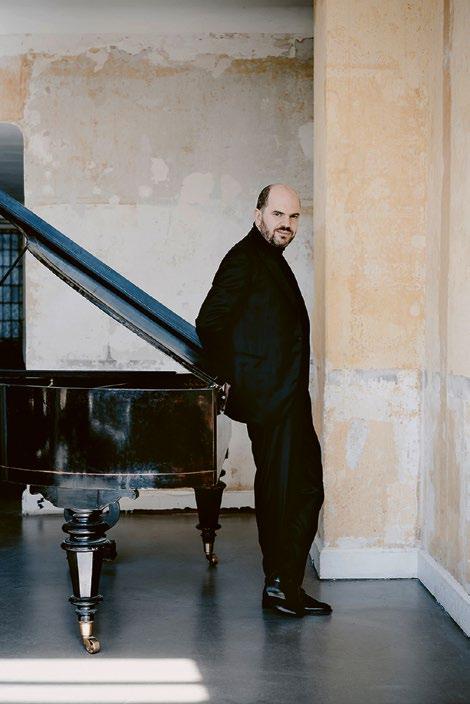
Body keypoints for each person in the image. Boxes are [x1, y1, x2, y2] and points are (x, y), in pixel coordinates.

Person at [196, 184, 332, 617]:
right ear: (258, 215)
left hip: (288, 397)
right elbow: (209, 323)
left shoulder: (270, 258)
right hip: (272, 399)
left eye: (293, 217)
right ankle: (278, 586)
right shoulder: (244, 258)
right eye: (277, 215)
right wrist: (239, 382)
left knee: (302, 489)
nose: (286, 224)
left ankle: (286, 583)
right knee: (284, 491)